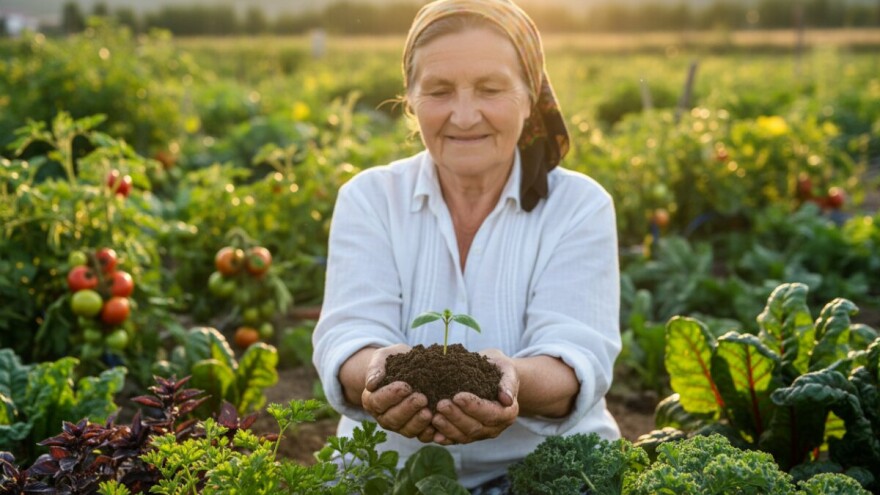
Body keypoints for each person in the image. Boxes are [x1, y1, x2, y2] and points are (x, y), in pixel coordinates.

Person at [312, 0, 621, 491]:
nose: (464, 114)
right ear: (410, 99)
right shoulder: (370, 198)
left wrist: (511, 378)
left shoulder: (578, 205)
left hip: (550, 472)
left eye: (490, 89)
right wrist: (377, 371)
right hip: (389, 477)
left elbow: (574, 357)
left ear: (530, 96)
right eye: (438, 90)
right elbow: (348, 334)